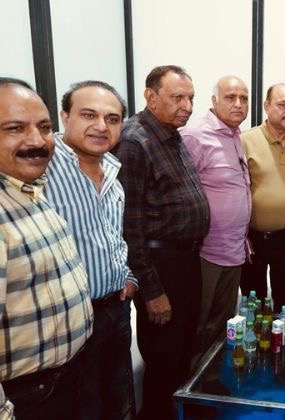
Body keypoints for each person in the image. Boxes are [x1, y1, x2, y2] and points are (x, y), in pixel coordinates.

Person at [117, 65, 209, 419]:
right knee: (163, 355)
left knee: (183, 346)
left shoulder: (171, 134)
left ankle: (179, 409)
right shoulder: (134, 141)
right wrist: (152, 290)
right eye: (177, 97)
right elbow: (131, 226)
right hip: (160, 266)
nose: (187, 106)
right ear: (150, 97)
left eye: (190, 98)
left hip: (186, 260)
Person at [0, 77, 93, 418]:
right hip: (27, 398)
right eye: (15, 128)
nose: (37, 141)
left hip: (66, 378)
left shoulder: (30, 191)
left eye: (44, 127)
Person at [45, 81, 136, 419]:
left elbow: (113, 235)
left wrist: (129, 276)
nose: (101, 126)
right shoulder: (43, 168)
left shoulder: (112, 169)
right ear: (64, 116)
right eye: (88, 115)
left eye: (112, 119)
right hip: (68, 320)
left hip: (116, 309)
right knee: (83, 407)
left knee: (117, 397)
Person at [180, 76, 252, 364]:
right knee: (198, 324)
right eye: (230, 97)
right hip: (206, 253)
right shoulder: (195, 136)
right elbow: (182, 195)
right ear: (213, 101)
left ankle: (210, 379)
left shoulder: (235, 135)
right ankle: (190, 385)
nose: (238, 104)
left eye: (244, 98)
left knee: (222, 324)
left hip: (234, 250)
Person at [240, 83, 285, 311]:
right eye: (283, 105)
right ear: (266, 106)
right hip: (252, 238)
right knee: (253, 302)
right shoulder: (245, 141)